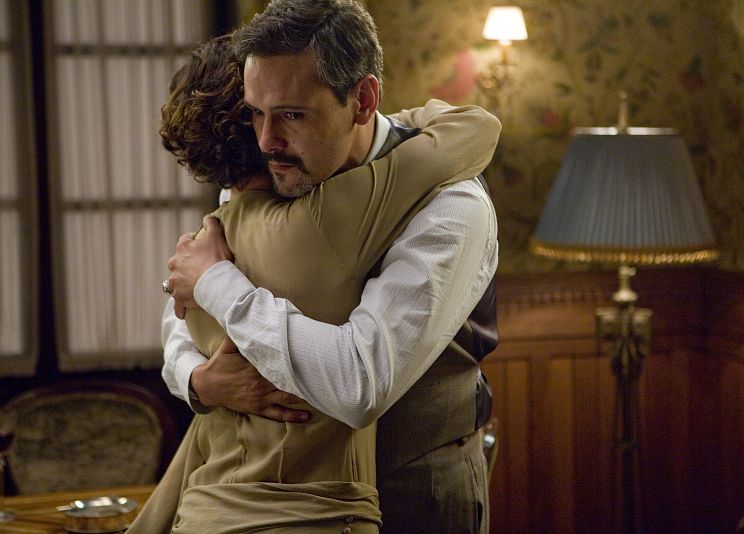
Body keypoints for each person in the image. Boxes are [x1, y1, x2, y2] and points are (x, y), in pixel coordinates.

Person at [133, 31, 500, 533]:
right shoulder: (265, 181)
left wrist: (216, 283)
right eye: (258, 114)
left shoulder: (444, 200)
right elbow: (182, 305)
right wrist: (198, 380)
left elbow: (358, 383)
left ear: (360, 102)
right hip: (279, 491)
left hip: (421, 476)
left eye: (292, 113)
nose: (270, 139)